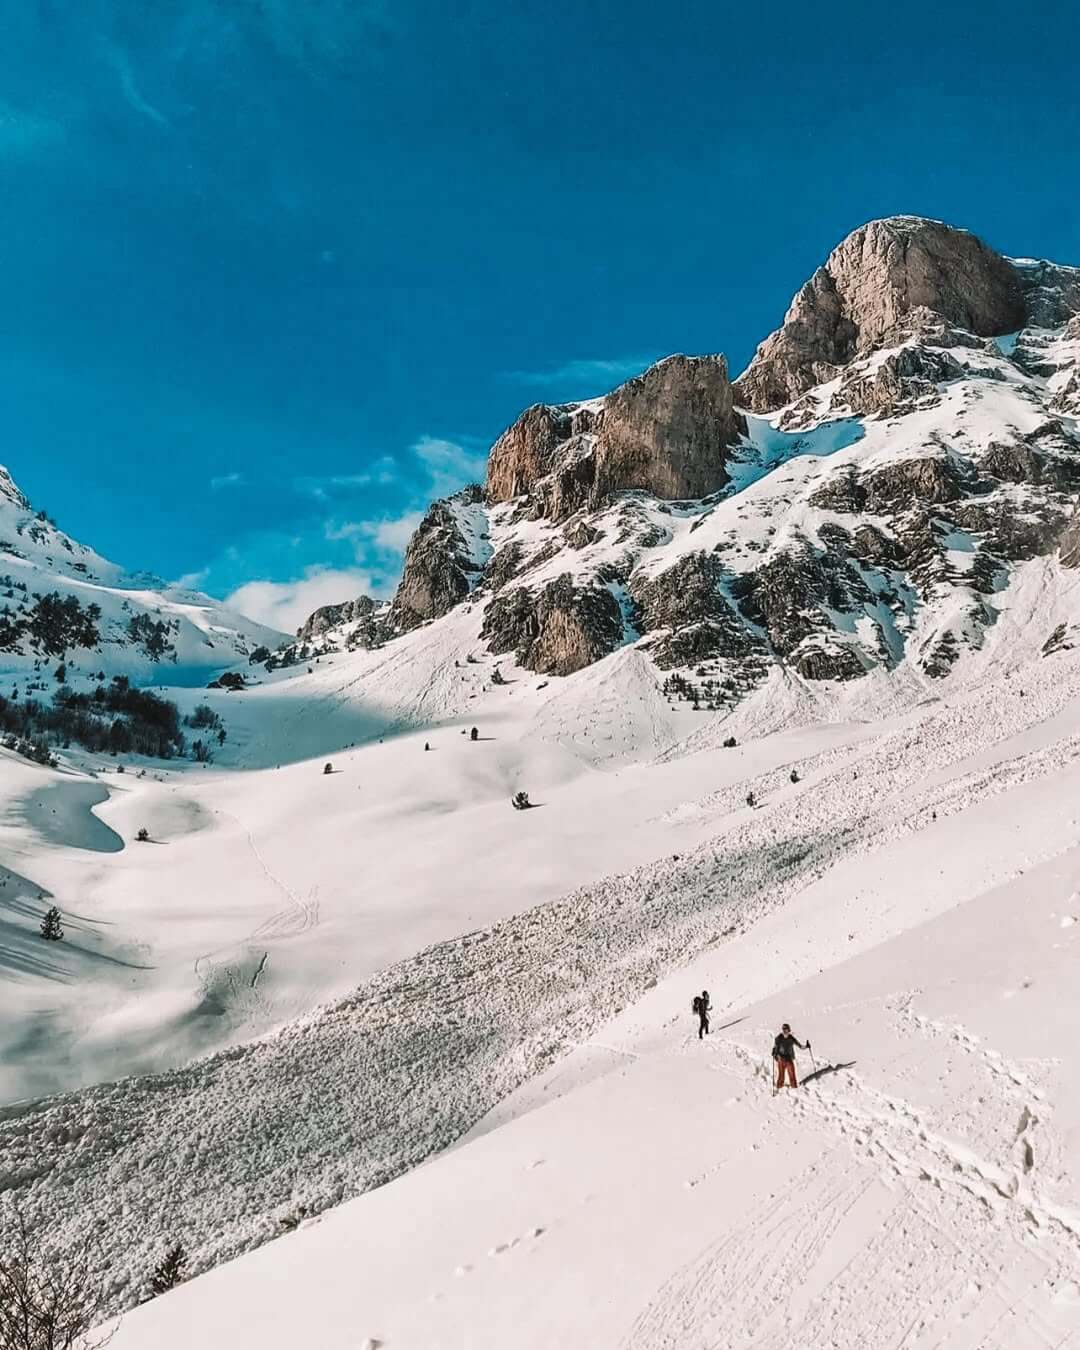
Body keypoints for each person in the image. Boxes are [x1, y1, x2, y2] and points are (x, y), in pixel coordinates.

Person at [772, 1022, 808, 1089]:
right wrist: (774, 1053)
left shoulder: (791, 1038)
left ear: (789, 1030)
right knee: (781, 1076)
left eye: (786, 1030)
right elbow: (775, 1047)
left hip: (789, 1059)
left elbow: (800, 1046)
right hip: (781, 1059)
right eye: (784, 1029)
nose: (785, 1031)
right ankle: (779, 1087)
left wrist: (806, 1046)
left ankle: (794, 1087)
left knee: (792, 1074)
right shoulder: (779, 1038)